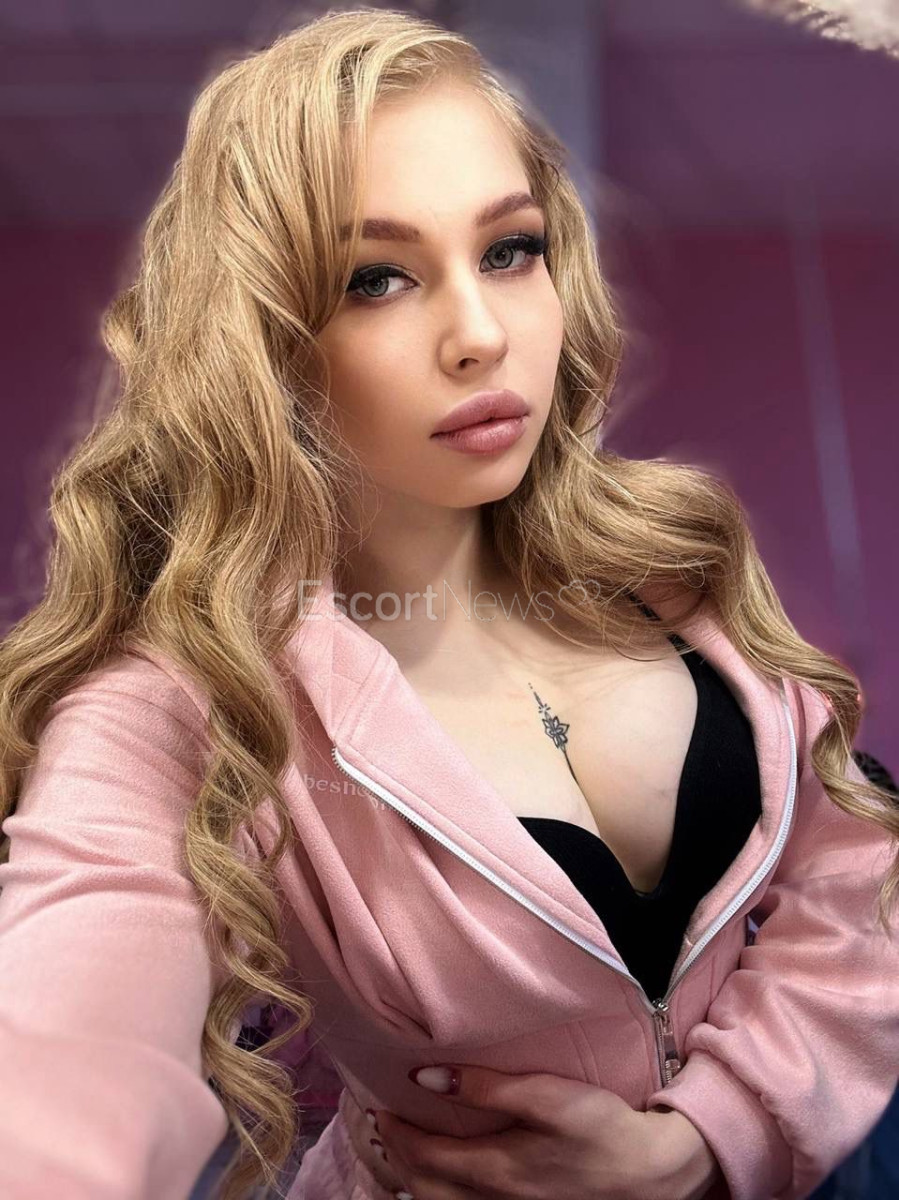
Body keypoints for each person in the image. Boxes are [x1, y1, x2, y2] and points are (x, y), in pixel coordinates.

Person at [1, 8, 897, 1200]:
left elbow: (848, 878)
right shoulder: (188, 705)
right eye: (375, 279)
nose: (479, 335)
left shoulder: (671, 567)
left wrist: (705, 1137)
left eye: (509, 250)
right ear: (260, 340)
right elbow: (69, 1052)